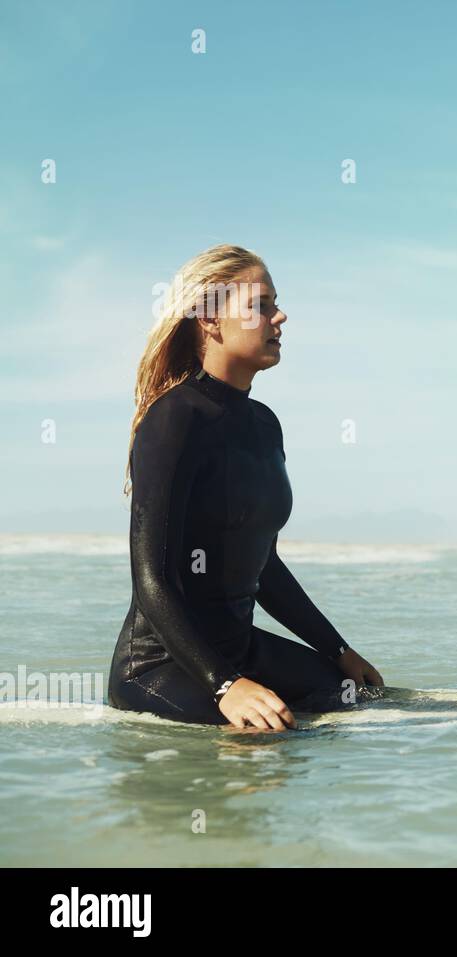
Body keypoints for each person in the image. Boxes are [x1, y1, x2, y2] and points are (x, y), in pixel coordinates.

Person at [108, 244, 383, 730]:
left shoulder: (264, 424)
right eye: (261, 305)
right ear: (210, 320)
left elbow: (265, 568)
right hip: (163, 666)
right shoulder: (176, 417)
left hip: (240, 650)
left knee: (364, 701)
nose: (280, 317)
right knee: (268, 735)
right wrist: (224, 685)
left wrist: (338, 649)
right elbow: (151, 579)